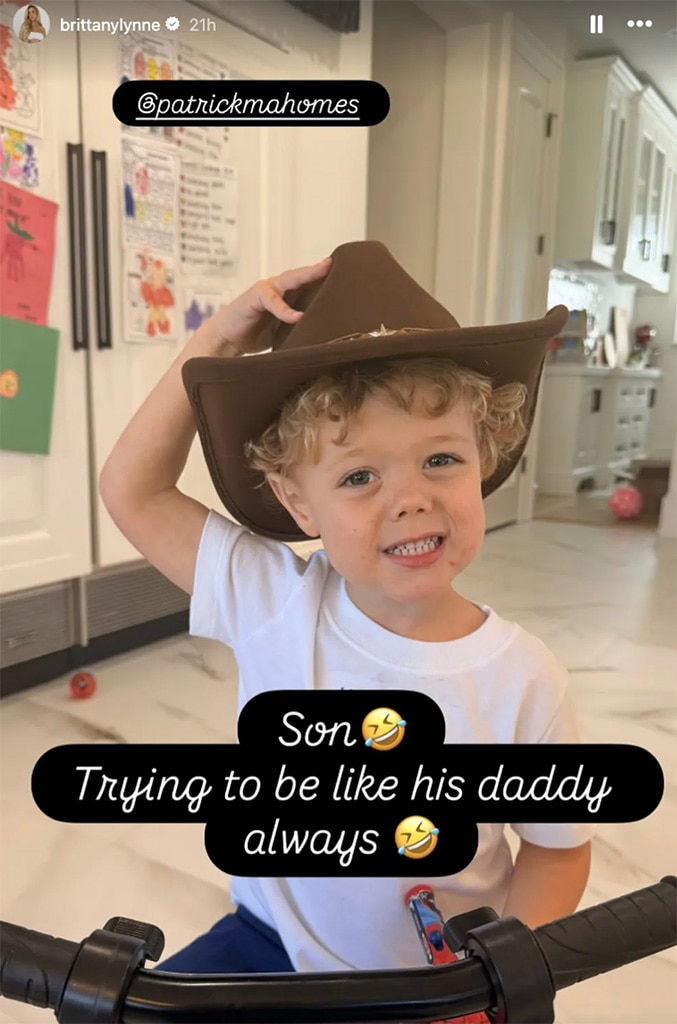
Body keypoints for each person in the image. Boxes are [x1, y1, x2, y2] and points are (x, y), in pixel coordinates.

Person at [100, 241, 592, 975]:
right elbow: (133, 490)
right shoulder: (272, 601)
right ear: (298, 503)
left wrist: (500, 977)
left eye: (440, 459)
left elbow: (557, 851)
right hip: (268, 940)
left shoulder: (523, 679)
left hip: (434, 982)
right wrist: (214, 345)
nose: (410, 498)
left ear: (483, 456)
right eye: (359, 476)